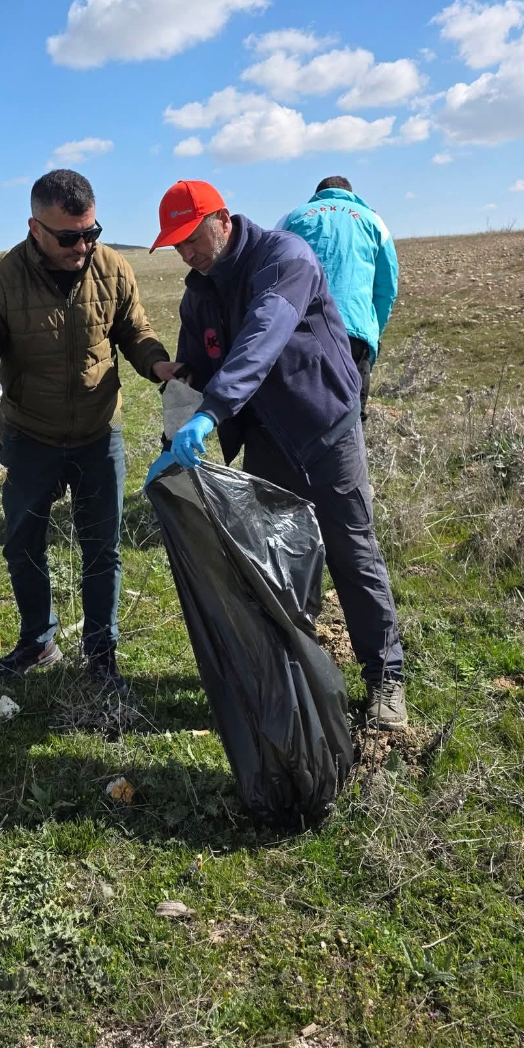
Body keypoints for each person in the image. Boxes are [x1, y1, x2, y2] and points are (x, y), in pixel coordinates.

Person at [147, 180, 406, 729]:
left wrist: (212, 411)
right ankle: (295, 670)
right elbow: (192, 370)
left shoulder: (285, 257)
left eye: (191, 238)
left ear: (221, 219)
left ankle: (386, 678)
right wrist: (173, 443)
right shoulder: (199, 294)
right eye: (176, 245)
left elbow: (263, 336)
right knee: (276, 559)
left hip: (325, 427)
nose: (185, 253)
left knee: (349, 551)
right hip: (265, 440)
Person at [0, 169, 178, 694]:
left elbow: (134, 330)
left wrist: (157, 363)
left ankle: (101, 655)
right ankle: (37, 641)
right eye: (68, 237)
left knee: (103, 549)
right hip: (29, 434)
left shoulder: (112, 266)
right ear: (35, 227)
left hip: (100, 434)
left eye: (91, 233)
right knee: (23, 543)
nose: (82, 246)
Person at [276, 177, 398, 422]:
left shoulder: (292, 218)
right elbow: (387, 287)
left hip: (299, 330)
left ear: (318, 195)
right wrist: (372, 333)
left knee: (297, 416)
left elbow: (272, 270)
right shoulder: (373, 221)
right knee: (350, 420)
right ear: (350, 194)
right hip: (353, 332)